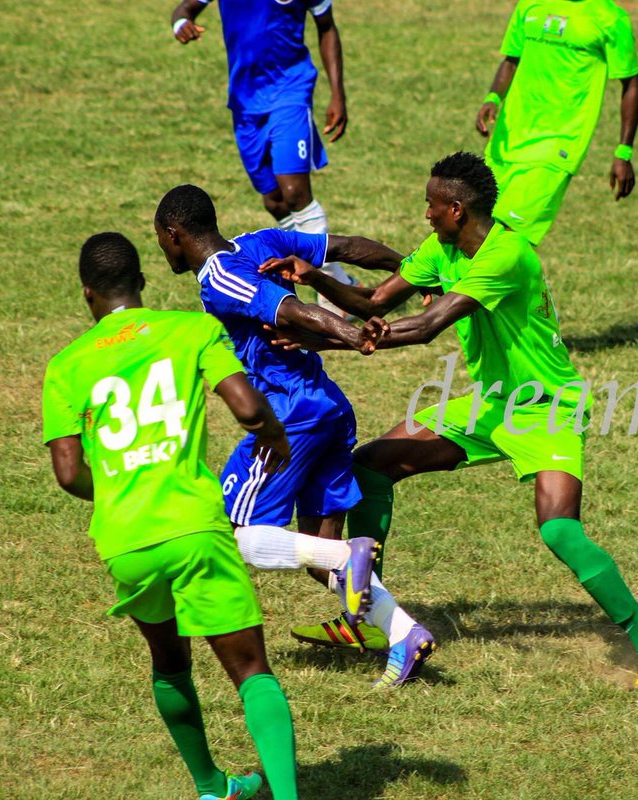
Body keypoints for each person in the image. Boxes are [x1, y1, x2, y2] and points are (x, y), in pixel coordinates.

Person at [262, 152, 638, 690]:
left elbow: (427, 326)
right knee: (370, 467)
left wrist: (326, 338)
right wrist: (315, 277)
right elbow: (374, 301)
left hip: (546, 408)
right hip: (490, 404)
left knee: (559, 530)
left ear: (457, 209)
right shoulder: (441, 249)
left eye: (431, 205)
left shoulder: (506, 255)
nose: (426, 214)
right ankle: (366, 618)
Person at [42, 232, 300, 799]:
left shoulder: (65, 367)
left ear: (87, 294)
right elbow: (248, 408)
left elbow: (68, 473)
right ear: (141, 282)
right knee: (251, 671)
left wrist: (120, 488)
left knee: (169, 663)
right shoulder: (191, 330)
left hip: (125, 540)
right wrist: (276, 438)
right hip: (193, 527)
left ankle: (212, 787)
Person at [153, 185, 437, 687]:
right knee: (318, 553)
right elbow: (346, 247)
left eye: (160, 239)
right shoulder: (259, 241)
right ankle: (405, 634)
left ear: (174, 235)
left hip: (290, 417)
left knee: (235, 534)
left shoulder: (219, 276)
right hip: (328, 408)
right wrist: (414, 270)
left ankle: (348, 557)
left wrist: (352, 333)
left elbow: (288, 310)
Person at [169, 0, 360, 311]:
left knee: (295, 193)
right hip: (245, 103)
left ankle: (332, 298)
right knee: (275, 201)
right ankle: (342, 281)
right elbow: (183, 10)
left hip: (291, 90)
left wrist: (338, 94)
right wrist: (181, 24)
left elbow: (326, 26)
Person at [474, 0, 638, 245]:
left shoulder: (610, 18)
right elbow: (511, 60)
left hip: (559, 143)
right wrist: (492, 98)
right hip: (508, 138)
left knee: (508, 236)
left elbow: (632, 84)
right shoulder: (529, 5)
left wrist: (623, 152)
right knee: (474, 225)